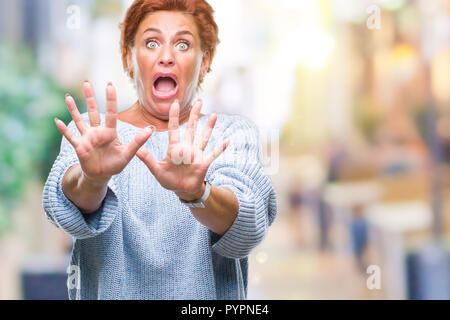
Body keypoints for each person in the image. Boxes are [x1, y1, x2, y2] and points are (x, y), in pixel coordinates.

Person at [42, 0, 277, 300]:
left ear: (205, 60)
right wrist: (92, 179)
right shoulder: (92, 134)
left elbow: (248, 229)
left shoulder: (229, 134)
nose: (166, 56)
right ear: (129, 57)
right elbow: (63, 212)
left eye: (183, 44)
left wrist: (198, 193)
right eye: (151, 42)